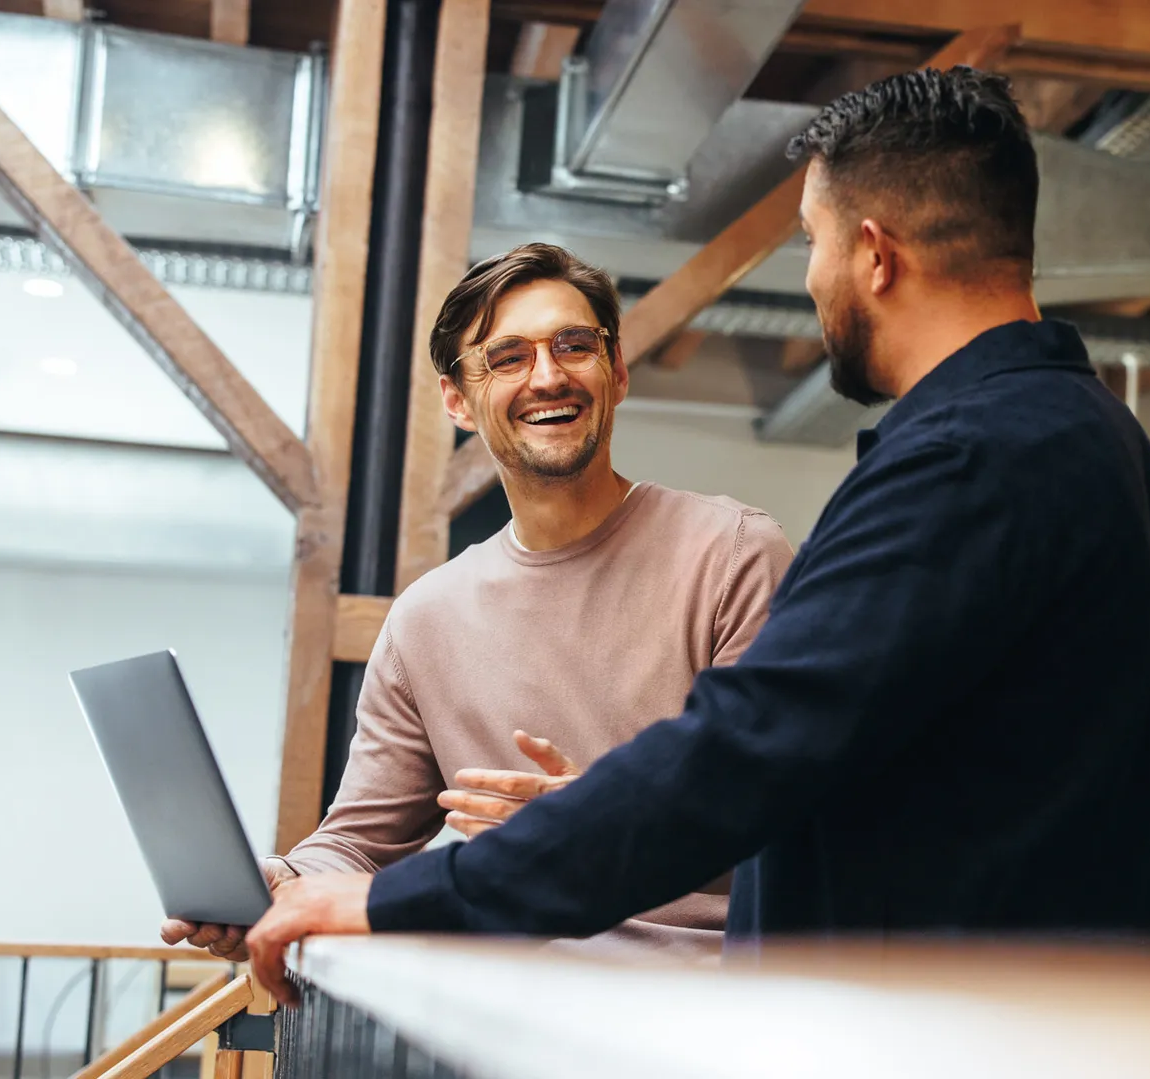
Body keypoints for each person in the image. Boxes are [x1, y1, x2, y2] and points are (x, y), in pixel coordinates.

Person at [247, 66, 1150, 1000]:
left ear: (874, 254)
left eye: (813, 242)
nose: (816, 277)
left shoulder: (965, 461)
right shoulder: (1104, 449)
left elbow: (743, 758)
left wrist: (415, 896)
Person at [162, 243, 794, 962]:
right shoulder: (426, 618)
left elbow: (782, 804)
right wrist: (285, 881)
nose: (549, 376)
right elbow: (360, 843)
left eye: (575, 345)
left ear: (615, 371)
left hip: (701, 1006)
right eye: (508, 358)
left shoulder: (735, 552)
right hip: (494, 1010)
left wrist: (599, 818)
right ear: (457, 399)